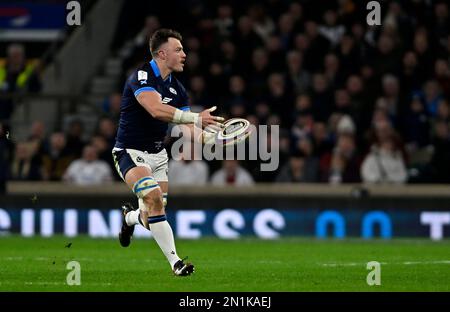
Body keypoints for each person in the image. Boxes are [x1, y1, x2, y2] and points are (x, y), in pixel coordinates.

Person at [112, 29, 223, 276]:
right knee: (152, 198)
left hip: (158, 156)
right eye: (178, 50)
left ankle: (130, 218)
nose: (184, 54)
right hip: (130, 151)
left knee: (152, 213)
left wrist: (209, 138)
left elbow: (184, 127)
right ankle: (176, 263)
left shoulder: (178, 89)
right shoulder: (141, 76)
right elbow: (154, 109)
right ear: (162, 54)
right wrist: (196, 116)